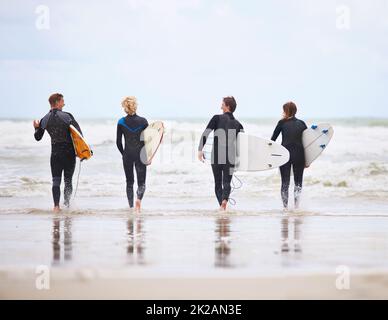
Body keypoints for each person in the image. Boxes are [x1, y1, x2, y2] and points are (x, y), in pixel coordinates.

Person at [33, 93, 83, 212]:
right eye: (62, 101)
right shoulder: (67, 116)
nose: (64, 103)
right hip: (69, 153)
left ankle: (56, 207)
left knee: (56, 180)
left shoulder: (45, 119)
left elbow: (38, 137)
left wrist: (36, 128)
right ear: (57, 102)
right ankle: (66, 206)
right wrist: (82, 151)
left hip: (55, 154)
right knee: (68, 180)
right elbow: (79, 134)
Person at [198, 96, 244, 211]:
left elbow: (206, 133)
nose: (221, 106)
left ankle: (222, 207)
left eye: (222, 104)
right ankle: (224, 202)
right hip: (230, 156)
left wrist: (200, 150)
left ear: (227, 106)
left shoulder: (216, 118)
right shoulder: (238, 124)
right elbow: (242, 144)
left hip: (217, 155)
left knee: (218, 183)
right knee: (227, 182)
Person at [271, 102, 308, 210]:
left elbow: (273, 140)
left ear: (286, 111)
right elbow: (308, 142)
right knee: (298, 182)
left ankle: (285, 208)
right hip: (299, 155)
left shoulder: (282, 123)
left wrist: (270, 156)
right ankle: (296, 207)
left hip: (285, 155)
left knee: (285, 183)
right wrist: (308, 160)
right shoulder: (302, 123)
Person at [116, 96, 149, 212]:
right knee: (142, 183)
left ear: (124, 107)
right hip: (140, 155)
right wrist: (148, 155)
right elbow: (148, 141)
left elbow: (118, 142)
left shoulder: (121, 122)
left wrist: (124, 154)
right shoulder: (143, 121)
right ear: (135, 106)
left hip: (127, 155)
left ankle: (130, 207)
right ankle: (138, 201)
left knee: (129, 182)